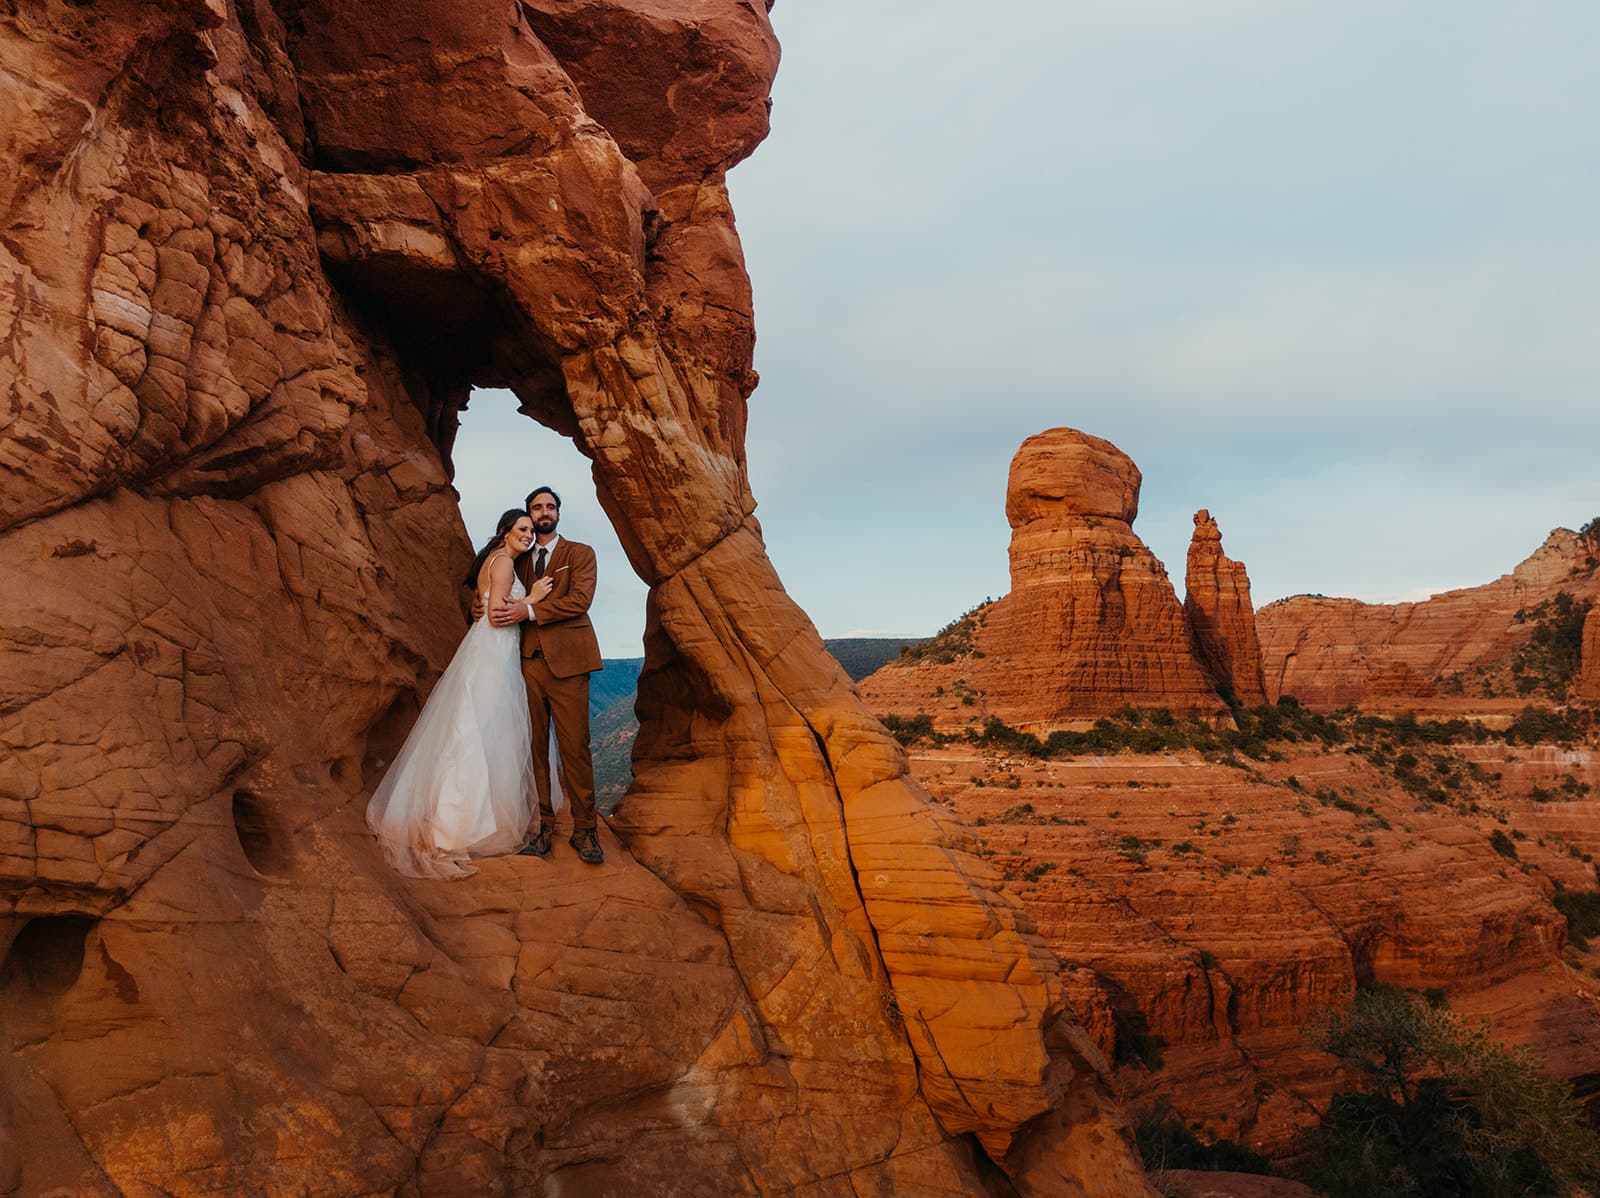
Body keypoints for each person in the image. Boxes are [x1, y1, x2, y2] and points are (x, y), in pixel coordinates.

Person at [366, 509, 546, 879]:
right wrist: (533, 600)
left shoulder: (495, 561)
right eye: (522, 529)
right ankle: (453, 828)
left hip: (489, 651)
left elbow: (485, 607)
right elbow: (497, 614)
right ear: (504, 532)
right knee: (480, 735)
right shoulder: (504, 565)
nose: (528, 535)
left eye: (530, 530)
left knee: (473, 731)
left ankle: (457, 820)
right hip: (495, 654)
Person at [488, 486, 605, 864]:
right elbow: (497, 590)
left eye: (550, 506)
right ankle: (542, 827)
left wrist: (530, 612)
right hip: (527, 663)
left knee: (575, 747)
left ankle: (585, 831)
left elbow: (580, 601)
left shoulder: (581, 554)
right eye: (536, 508)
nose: (544, 512)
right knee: (535, 747)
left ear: (558, 512)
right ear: (528, 515)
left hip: (570, 663)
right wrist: (484, 602)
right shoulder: (519, 559)